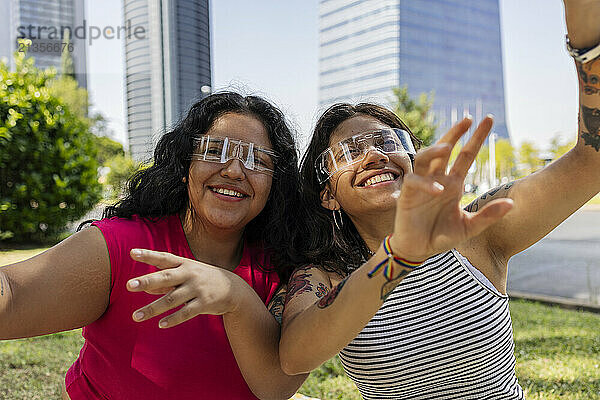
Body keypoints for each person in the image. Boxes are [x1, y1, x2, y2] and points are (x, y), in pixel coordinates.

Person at [276, 1, 600, 398]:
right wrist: (398, 255)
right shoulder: (323, 276)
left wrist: (590, 51)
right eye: (350, 151)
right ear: (328, 195)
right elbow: (293, 357)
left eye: (386, 142)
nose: (375, 155)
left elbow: (590, 163)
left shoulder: (475, 231)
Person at [0, 92, 307, 399]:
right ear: (185, 167)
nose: (234, 170)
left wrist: (235, 294)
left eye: (257, 160)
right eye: (215, 151)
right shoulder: (122, 247)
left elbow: (279, 383)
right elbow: (11, 294)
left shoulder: (284, 268)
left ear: (274, 185)